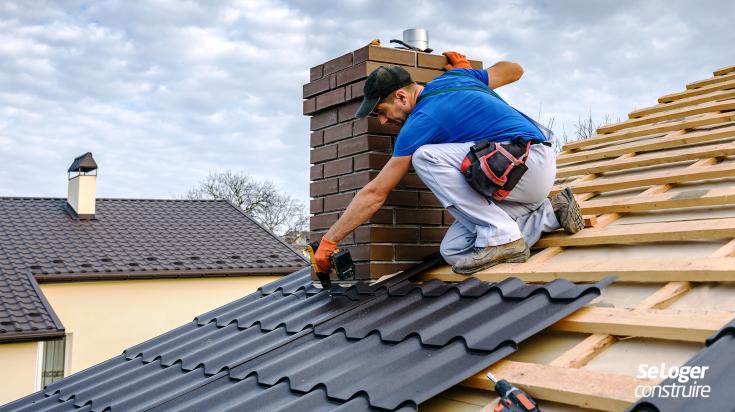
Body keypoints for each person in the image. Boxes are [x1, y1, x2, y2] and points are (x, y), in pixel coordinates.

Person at [314, 52, 583, 275]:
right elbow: (515, 69)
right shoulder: (458, 77)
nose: (383, 122)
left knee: (425, 156)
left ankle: (503, 235)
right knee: (454, 251)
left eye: (381, 112)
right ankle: (550, 213)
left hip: (526, 162)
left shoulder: (421, 120)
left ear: (401, 97)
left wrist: (330, 240)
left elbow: (376, 193)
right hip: (520, 179)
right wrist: (472, 76)